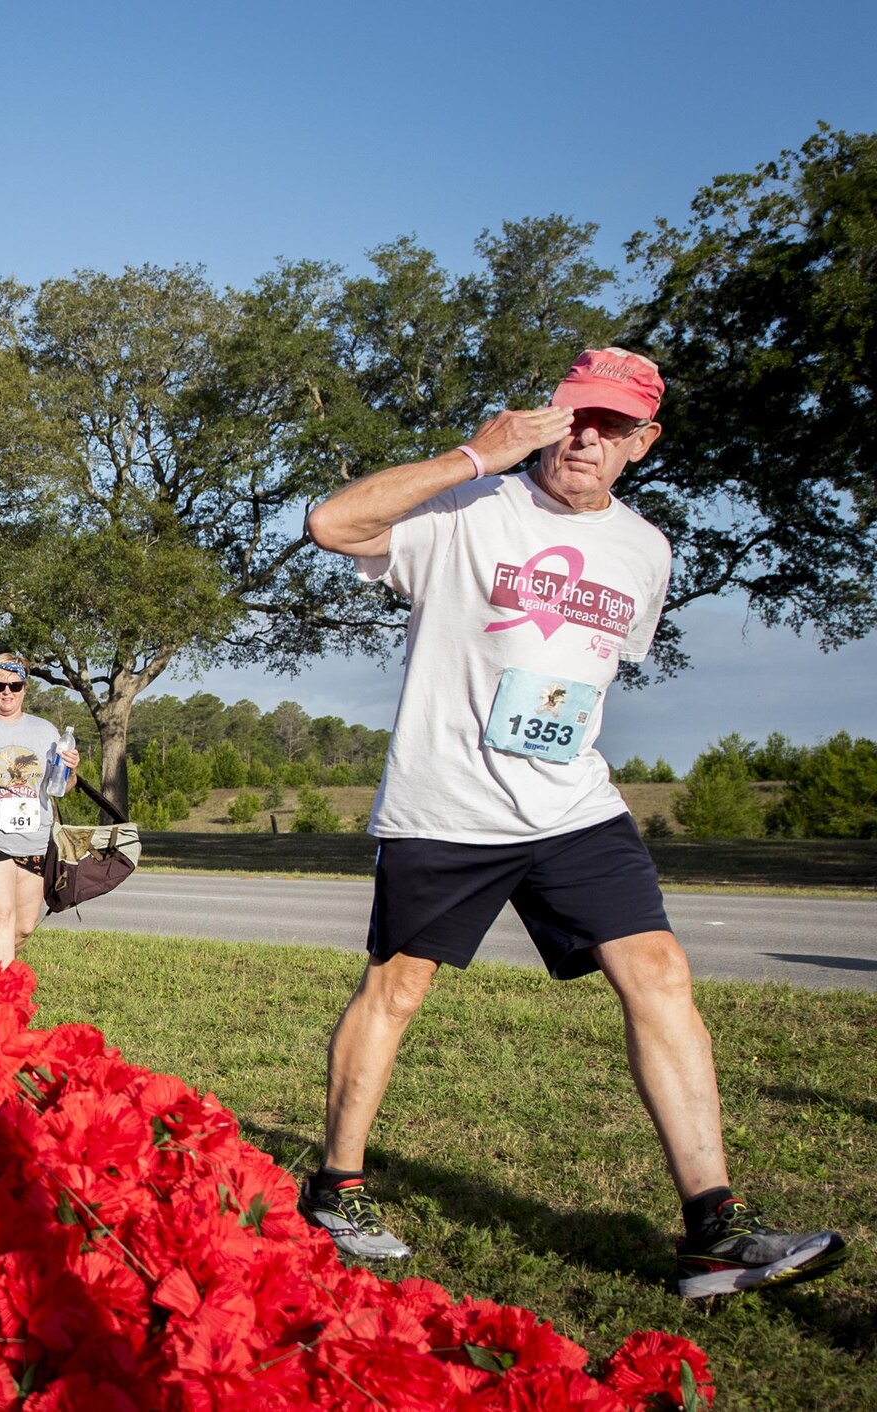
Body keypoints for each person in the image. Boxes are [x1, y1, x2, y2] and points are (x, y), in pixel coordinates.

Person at [300, 347, 848, 1296]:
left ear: (644, 442)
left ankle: (715, 1224)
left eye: (613, 426)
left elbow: (590, 670)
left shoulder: (647, 549)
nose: (587, 438)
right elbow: (330, 522)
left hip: (574, 803)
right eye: (575, 417)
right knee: (397, 988)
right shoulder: (469, 510)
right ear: (550, 418)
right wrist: (475, 455)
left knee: (661, 971)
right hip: (449, 802)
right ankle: (335, 1188)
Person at [0, 654, 79, 964]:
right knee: (1, 916)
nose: (7, 692)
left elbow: (60, 787)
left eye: (15, 684)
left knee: (23, 928)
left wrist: (71, 771)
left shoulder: (46, 731)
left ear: (26, 687)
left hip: (34, 839)